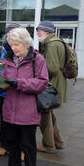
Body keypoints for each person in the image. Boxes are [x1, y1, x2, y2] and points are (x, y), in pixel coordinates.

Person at [0, 27, 49, 166]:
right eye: (11, 44)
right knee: (12, 142)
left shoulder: (38, 60)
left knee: (28, 146)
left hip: (28, 110)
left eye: (17, 44)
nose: (14, 48)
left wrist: (20, 83)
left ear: (26, 43)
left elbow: (42, 82)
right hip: (10, 108)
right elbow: (4, 83)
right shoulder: (7, 59)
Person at [36, 21, 67, 154]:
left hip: (51, 85)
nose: (37, 33)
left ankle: (49, 145)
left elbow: (52, 68)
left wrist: (37, 74)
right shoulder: (58, 42)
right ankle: (58, 142)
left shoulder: (51, 45)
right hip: (58, 83)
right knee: (50, 115)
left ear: (46, 31)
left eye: (39, 30)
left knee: (45, 115)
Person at [0, 23, 20, 156]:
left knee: (19, 121)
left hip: (18, 92)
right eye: (8, 35)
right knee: (4, 119)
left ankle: (20, 148)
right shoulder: (2, 49)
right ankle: (4, 145)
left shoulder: (23, 50)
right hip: (3, 91)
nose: (9, 37)